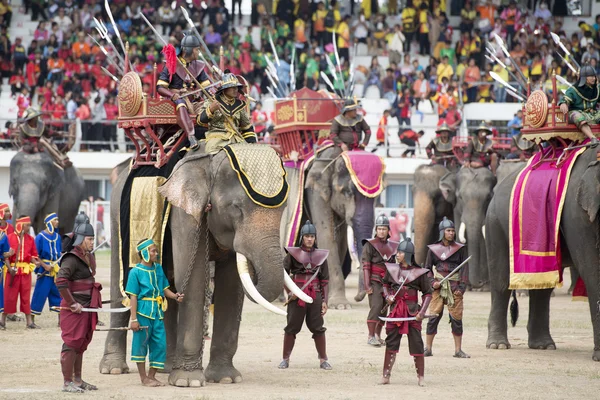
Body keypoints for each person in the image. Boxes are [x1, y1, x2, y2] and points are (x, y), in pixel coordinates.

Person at [126, 239, 184, 386]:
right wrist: (134, 319)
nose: (156, 253)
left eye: (156, 250)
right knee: (141, 344)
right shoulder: (135, 272)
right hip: (143, 313)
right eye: (153, 251)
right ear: (144, 252)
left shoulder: (158, 269)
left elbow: (164, 289)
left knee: (160, 345)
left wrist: (175, 296)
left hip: (158, 313)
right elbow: (133, 297)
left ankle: (151, 376)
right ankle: (143, 378)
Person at [279, 221, 331, 370]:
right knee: (291, 327)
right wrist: (290, 292)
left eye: (312, 236)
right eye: (307, 236)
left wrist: (324, 301)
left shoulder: (321, 256)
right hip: (297, 295)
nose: (310, 239)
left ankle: (323, 359)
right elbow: (283, 275)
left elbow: (325, 280)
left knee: (318, 327)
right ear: (302, 237)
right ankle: (285, 359)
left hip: (315, 295)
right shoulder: (292, 254)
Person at [56, 222, 101, 393]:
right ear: (81, 239)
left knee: (81, 343)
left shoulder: (88, 256)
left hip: (86, 308)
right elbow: (61, 281)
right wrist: (72, 303)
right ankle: (67, 383)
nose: (92, 242)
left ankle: (78, 380)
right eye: (89, 239)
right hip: (74, 309)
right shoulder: (71, 258)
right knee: (71, 343)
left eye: (93, 239)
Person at [380, 238, 432, 386]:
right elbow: (385, 285)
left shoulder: (419, 273)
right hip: (396, 310)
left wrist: (421, 312)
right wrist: (388, 296)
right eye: (398, 251)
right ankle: (386, 375)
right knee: (391, 341)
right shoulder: (392, 270)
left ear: (408, 254)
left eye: (401, 252)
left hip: (412, 311)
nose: (398, 254)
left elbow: (428, 293)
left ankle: (421, 377)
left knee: (416, 342)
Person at [424, 217, 470, 358]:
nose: (451, 233)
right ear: (442, 232)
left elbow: (464, 270)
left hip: (454, 287)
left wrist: (461, 288)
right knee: (433, 318)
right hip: (438, 287)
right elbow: (427, 269)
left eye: (452, 231)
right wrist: (433, 282)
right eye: (448, 231)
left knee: (456, 319)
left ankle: (458, 350)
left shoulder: (460, 249)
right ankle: (428, 348)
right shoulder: (433, 249)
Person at [156, 34, 212, 150]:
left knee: (210, 106)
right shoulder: (172, 64)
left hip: (193, 101)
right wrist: (173, 95)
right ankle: (191, 136)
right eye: (197, 49)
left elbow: (206, 86)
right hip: (175, 101)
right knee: (181, 103)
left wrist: (208, 94)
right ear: (189, 50)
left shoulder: (198, 65)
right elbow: (160, 87)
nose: (198, 52)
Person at [361, 215, 399, 347]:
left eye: (384, 229)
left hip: (387, 282)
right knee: (376, 307)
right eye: (379, 228)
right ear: (376, 230)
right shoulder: (369, 245)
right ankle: (370, 336)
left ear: (388, 230)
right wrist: (367, 285)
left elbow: (394, 266)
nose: (381, 231)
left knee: (384, 308)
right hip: (374, 281)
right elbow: (366, 266)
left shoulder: (393, 246)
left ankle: (378, 335)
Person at [199, 71, 257, 154]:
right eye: (232, 87)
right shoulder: (212, 101)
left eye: (236, 87)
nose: (235, 90)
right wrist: (211, 109)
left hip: (236, 139)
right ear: (225, 89)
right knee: (211, 154)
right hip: (217, 138)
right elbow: (200, 121)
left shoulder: (239, 105)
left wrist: (252, 145)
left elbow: (247, 128)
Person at [1, 216, 41, 329]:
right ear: (20, 225)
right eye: (27, 224)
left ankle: (29, 322)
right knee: (9, 296)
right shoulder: (9, 238)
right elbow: (5, 256)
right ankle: (2, 320)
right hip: (12, 272)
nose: (29, 227)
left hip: (25, 273)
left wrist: (35, 262)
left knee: (25, 296)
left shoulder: (31, 239)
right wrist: (9, 269)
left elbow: (32, 255)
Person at [558, 64, 600, 147]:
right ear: (584, 78)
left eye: (594, 76)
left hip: (592, 114)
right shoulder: (574, 89)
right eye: (591, 76)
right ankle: (592, 138)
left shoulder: (597, 89)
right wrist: (563, 103)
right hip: (576, 114)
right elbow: (565, 99)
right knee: (577, 116)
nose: (593, 78)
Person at [30, 213, 62, 320]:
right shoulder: (40, 237)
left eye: (57, 220)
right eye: (55, 220)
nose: (57, 222)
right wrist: (45, 266)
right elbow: (35, 255)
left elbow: (59, 253)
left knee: (59, 294)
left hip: (56, 270)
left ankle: (61, 320)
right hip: (44, 271)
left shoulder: (58, 237)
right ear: (49, 222)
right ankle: (31, 320)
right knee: (40, 294)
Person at [0, 204, 14, 328]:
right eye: (7, 211)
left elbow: (12, 246)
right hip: (2, 263)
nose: (9, 213)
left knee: (6, 291)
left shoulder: (11, 228)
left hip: (7, 264)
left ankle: (7, 313)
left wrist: (10, 253)